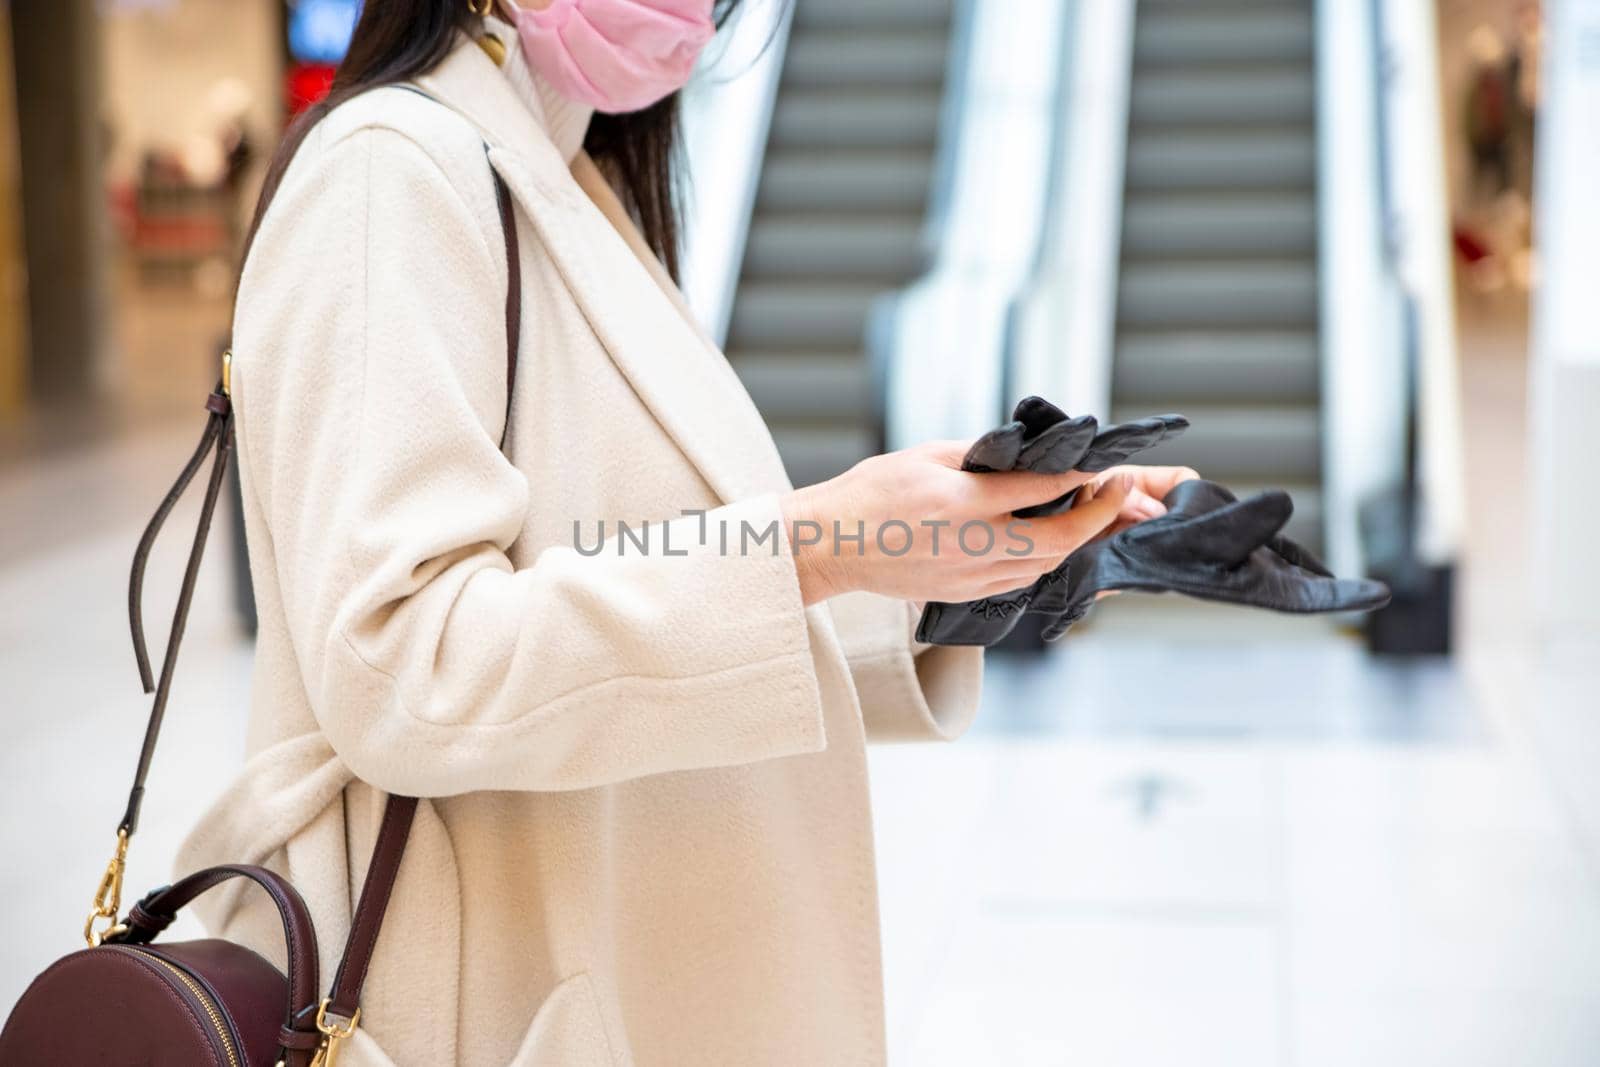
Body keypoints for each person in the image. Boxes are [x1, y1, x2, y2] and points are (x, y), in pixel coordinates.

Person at [177, 2, 1192, 1063]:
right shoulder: (392, 171)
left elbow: (639, 569)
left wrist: (985, 565)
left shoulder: (567, 176)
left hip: (613, 941)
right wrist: (821, 539)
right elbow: (407, 658)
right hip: (495, 984)